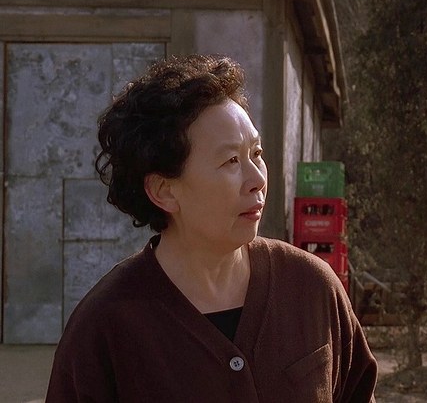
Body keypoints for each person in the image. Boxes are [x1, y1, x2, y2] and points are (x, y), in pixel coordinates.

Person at [46, 54, 377, 402]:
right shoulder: (104, 327)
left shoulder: (311, 288)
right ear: (164, 190)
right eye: (231, 161)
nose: (257, 179)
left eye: (257, 153)